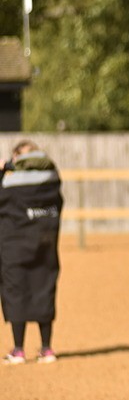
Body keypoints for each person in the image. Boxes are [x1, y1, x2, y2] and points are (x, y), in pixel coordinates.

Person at [0, 140, 63, 364]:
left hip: (14, 249)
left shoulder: (10, 184)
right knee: (44, 290)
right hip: (45, 247)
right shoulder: (52, 181)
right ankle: (46, 349)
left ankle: (18, 350)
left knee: (16, 293)